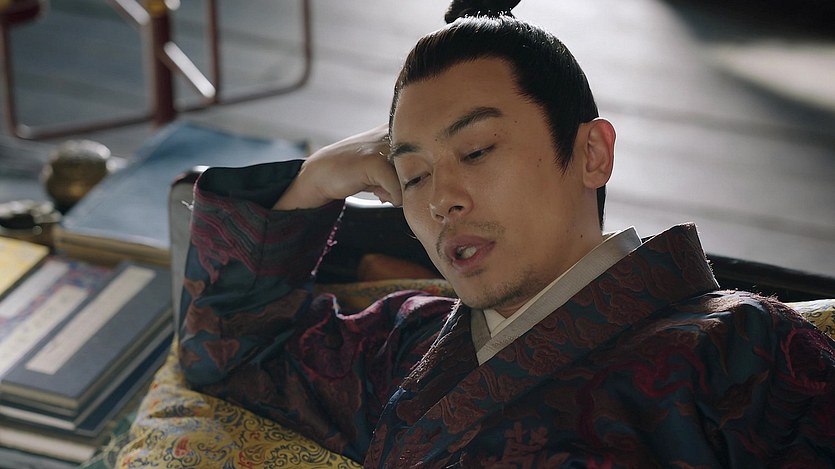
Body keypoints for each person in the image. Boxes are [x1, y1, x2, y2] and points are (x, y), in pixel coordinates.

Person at [178, 4, 835, 468]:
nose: (441, 199)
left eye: (476, 150)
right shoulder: (409, 348)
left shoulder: (742, 347)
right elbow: (233, 351)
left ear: (591, 154)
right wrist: (318, 176)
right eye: (413, 175)